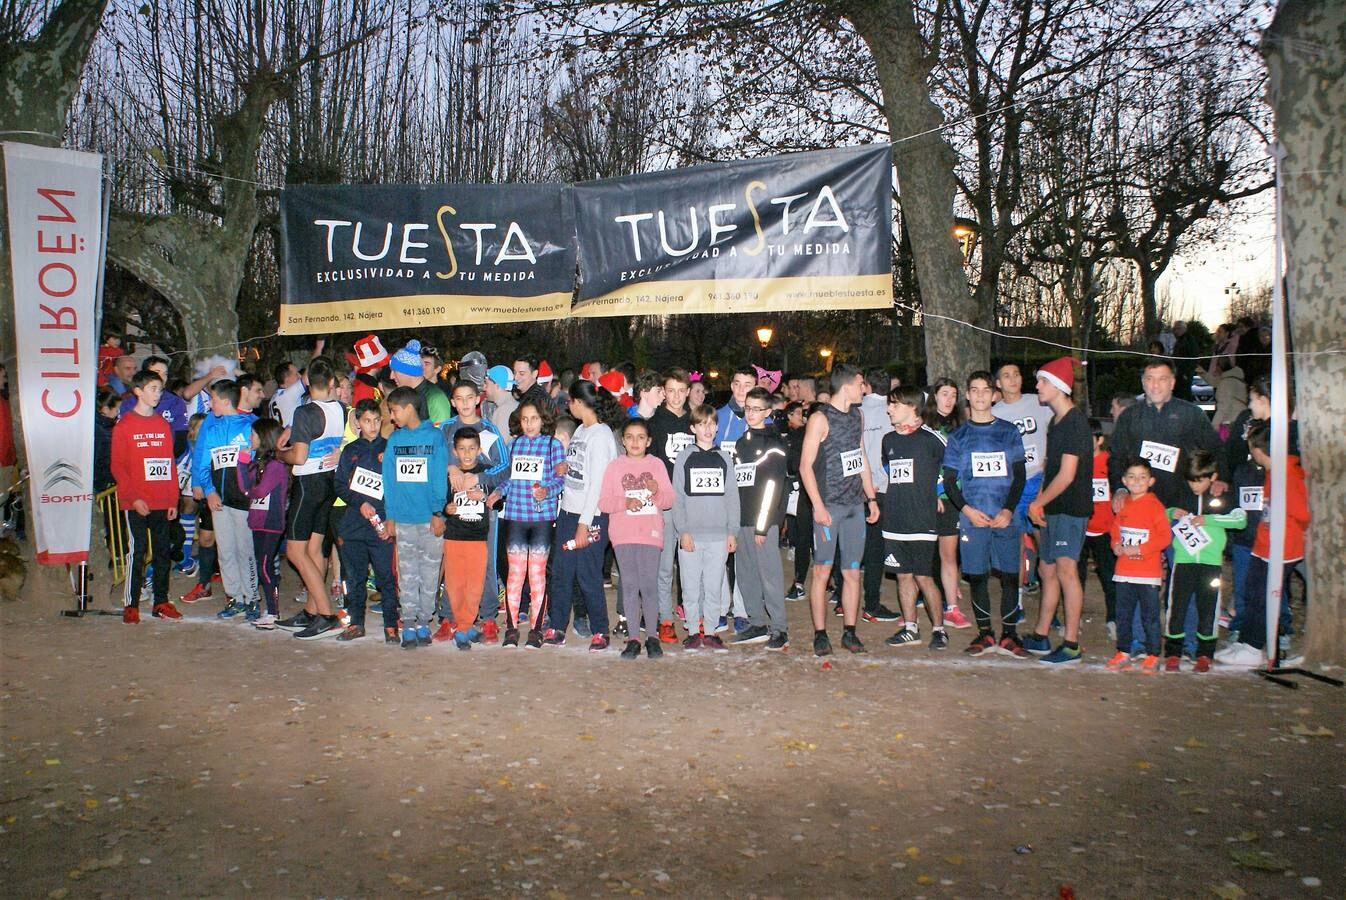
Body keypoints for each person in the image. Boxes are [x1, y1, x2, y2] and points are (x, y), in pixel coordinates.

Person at [941, 371, 1027, 657]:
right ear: (967, 395)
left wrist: (1008, 509)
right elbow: (950, 481)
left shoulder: (1008, 431)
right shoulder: (958, 436)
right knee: (977, 575)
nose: (979, 395)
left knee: (1010, 577)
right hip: (973, 517)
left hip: (1005, 516)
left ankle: (1010, 635)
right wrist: (966, 509)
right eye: (974, 390)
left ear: (994, 395)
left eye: (985, 390)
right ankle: (985, 633)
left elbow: (1019, 475)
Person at [799, 364, 881, 656]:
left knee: (852, 572)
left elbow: (861, 458)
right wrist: (818, 506)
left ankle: (850, 632)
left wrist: (871, 498)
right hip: (829, 508)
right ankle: (820, 634)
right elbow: (805, 467)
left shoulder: (857, 415)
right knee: (822, 571)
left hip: (854, 507)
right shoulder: (820, 419)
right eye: (861, 384)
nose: (864, 388)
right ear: (847, 386)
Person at [1216, 421, 1310, 667]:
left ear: (1258, 450)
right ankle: (1246, 642)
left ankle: (1254, 645)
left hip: (1281, 549)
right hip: (1264, 546)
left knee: (1261, 597)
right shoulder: (1273, 473)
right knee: (1252, 592)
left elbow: (1301, 513)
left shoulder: (1288, 476)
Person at [1022, 358, 1093, 665]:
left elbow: (1067, 475)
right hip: (1053, 507)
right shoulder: (1056, 421)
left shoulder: (1076, 422)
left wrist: (1039, 503)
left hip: (1070, 508)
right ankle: (1040, 634)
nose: (1037, 386)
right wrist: (1038, 500)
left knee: (1066, 571)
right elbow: (1050, 469)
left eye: (1042, 381)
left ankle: (1072, 643)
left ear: (1057, 385)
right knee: (1046, 569)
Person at [544, 381, 623, 650]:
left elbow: (599, 484)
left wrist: (584, 523)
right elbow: (583, 469)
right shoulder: (580, 430)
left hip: (590, 516)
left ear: (579, 402)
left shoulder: (601, 435)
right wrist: (568, 465)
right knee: (562, 572)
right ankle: (556, 626)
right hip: (569, 512)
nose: (569, 406)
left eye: (571, 402)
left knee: (588, 574)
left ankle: (600, 629)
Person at [277, 357, 346, 639]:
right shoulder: (339, 409)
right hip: (329, 482)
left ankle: (327, 615)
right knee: (315, 550)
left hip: (308, 485)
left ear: (306, 381)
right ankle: (312, 610)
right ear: (332, 384)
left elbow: (299, 456)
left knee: (295, 551)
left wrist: (279, 454)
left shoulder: (305, 413)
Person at [877, 386, 947, 649]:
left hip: (922, 520)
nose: (889, 409)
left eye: (894, 404)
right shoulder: (888, 440)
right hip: (894, 519)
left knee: (923, 576)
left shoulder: (932, 439)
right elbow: (889, 467)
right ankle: (910, 627)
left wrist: (937, 492)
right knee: (903, 576)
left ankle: (939, 630)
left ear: (912, 407)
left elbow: (952, 469)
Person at [1162, 451, 1245, 671]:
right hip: (1183, 561)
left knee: (1209, 609)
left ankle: (1205, 653)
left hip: (1211, 564)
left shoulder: (1222, 497)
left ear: (1213, 476)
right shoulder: (1181, 493)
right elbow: (1159, 514)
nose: (1195, 486)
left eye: (1199, 481)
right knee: (1176, 607)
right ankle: (1172, 653)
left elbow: (1240, 519)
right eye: (1191, 481)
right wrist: (1171, 513)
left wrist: (1208, 520)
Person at [1109, 358, 1225, 515]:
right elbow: (1117, 457)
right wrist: (1120, 488)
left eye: (1162, 379)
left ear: (1172, 383)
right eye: (1150, 379)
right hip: (1140, 503)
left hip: (1182, 505)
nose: (1155, 385)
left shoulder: (1191, 414)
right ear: (1143, 383)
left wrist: (1220, 478)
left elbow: (1215, 449)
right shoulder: (1129, 417)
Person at [599, 418, 674, 660]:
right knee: (629, 585)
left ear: (649, 441)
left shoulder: (657, 465)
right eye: (630, 437)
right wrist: (625, 503)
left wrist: (656, 491)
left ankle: (652, 637)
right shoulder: (614, 467)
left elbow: (668, 501)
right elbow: (604, 502)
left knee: (649, 585)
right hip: (623, 535)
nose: (635, 442)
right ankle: (633, 638)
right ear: (623, 441)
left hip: (650, 534)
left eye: (641, 437)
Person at [111, 370, 182, 623]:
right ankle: (131, 603)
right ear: (138, 391)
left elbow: (168, 463)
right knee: (137, 551)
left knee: (164, 551)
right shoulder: (125, 425)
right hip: (136, 501)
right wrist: (132, 497)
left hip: (162, 500)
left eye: (160, 389)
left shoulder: (163, 424)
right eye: (153, 389)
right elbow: (118, 467)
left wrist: (173, 499)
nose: (158, 394)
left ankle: (161, 601)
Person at [381, 386, 449, 650]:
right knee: (407, 572)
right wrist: (390, 516)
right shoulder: (394, 441)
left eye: (394, 411)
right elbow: (390, 480)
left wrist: (437, 512)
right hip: (404, 519)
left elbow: (438, 476)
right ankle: (408, 621)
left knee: (431, 572)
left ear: (409, 408)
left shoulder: (434, 437)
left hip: (429, 518)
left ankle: (424, 620)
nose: (392, 416)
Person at [441, 380, 509, 641]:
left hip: (482, 510)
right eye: (460, 398)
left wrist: (480, 481)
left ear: (479, 399)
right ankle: (449, 616)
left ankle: (489, 616)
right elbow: (435, 459)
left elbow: (504, 467)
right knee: (452, 565)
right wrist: (451, 468)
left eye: (470, 397)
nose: (466, 403)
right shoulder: (445, 430)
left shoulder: (488, 429)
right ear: (453, 402)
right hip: (453, 510)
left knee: (487, 562)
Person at [495, 400, 566, 648]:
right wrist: (497, 492)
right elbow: (509, 480)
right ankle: (512, 629)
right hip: (515, 515)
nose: (529, 424)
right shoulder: (513, 444)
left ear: (543, 419)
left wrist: (546, 490)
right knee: (514, 575)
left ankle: (535, 629)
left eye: (534, 419)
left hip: (542, 519)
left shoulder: (553, 446)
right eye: (524, 419)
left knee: (537, 576)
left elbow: (561, 481)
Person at [672, 404, 739, 651]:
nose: (707, 429)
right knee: (690, 587)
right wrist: (683, 531)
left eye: (711, 424)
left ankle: (710, 631)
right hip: (691, 535)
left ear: (717, 426)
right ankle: (692, 630)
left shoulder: (724, 458)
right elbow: (677, 497)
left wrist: (732, 531)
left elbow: (732, 496)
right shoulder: (684, 457)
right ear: (693, 428)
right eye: (702, 424)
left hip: (718, 535)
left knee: (713, 586)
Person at [191, 380, 259, 621]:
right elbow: (203, 464)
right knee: (226, 551)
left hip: (243, 502)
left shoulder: (251, 426)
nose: (211, 404)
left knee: (245, 550)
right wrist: (208, 490)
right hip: (219, 501)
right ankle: (235, 598)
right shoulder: (212, 428)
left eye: (214, 400)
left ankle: (252, 599)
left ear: (226, 401)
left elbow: (260, 461)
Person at [333, 399, 399, 643]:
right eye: (367, 421)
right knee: (355, 577)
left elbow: (397, 486)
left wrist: (390, 520)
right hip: (353, 525)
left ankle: (391, 624)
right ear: (358, 422)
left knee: (386, 577)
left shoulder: (390, 447)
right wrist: (359, 503)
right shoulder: (350, 451)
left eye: (376, 420)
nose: (372, 425)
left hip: (381, 525)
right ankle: (355, 623)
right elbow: (339, 484)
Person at [731, 387, 790, 650]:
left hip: (762, 522)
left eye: (757, 409)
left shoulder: (774, 444)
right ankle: (756, 622)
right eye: (748, 407)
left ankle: (779, 628)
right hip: (742, 518)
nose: (751, 413)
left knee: (770, 575)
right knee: (746, 574)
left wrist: (763, 526)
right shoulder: (742, 442)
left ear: (768, 412)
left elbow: (773, 488)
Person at [992, 362, 1053, 587]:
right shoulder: (995, 414)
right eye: (1006, 375)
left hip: (1039, 480)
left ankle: (1051, 604)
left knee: (1045, 545)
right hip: (1012, 485)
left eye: (1017, 373)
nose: (1013, 379)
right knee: (1015, 545)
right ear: (998, 383)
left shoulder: (1038, 402)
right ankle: (1015, 603)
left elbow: (1055, 433)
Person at [1107, 458, 1171, 673]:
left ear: (1151, 481)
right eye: (1132, 477)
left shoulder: (1155, 506)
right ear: (1124, 480)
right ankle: (1123, 651)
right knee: (1123, 615)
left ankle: (1153, 653)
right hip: (1124, 572)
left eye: (1142, 477)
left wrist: (1139, 549)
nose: (1137, 481)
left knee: (1150, 616)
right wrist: (1116, 544)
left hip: (1147, 573)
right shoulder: (1124, 505)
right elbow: (1115, 530)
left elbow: (1164, 538)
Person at [648, 369, 694, 642]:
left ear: (688, 392)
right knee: (664, 566)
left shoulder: (695, 421)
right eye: (671, 390)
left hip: (691, 504)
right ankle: (665, 619)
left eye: (681, 391)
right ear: (663, 392)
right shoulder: (654, 424)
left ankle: (693, 613)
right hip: (664, 504)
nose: (676, 396)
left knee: (691, 564)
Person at [923, 379, 972, 629]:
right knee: (921, 556)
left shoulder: (962, 428)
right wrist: (931, 493)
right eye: (944, 394)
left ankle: (952, 607)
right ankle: (918, 607)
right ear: (934, 396)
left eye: (953, 395)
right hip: (926, 499)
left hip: (952, 499)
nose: (949, 399)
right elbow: (919, 464)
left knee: (948, 554)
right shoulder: (922, 426)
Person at [235, 418, 288, 627]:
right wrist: (242, 462)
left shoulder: (275, 465)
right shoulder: (258, 464)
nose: (250, 439)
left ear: (264, 438)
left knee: (265, 567)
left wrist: (250, 490)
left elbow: (257, 490)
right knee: (262, 566)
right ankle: (271, 609)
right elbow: (245, 488)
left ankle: (274, 612)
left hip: (272, 522)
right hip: (258, 521)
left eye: (254, 435)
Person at [859, 367, 900, 623]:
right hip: (887, 489)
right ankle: (871, 603)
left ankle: (845, 599)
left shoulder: (856, 410)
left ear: (867, 386)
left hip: (861, 489)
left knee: (860, 548)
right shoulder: (895, 410)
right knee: (878, 550)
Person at [1078, 421, 1118, 640]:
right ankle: (1075, 620)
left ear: (1100, 440)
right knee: (1076, 577)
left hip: (1106, 530)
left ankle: (1113, 619)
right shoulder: (1076, 463)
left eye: (1090, 438)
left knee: (1110, 577)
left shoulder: (1110, 463)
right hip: (1082, 529)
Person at [389, 339, 452, 426]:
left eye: (394, 371)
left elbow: (440, 436)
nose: (391, 376)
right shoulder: (402, 395)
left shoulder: (436, 398)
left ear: (408, 372)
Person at [714, 367, 756, 452]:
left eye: (747, 385)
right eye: (737, 384)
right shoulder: (715, 416)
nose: (741, 389)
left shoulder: (764, 420)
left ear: (755, 388)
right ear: (732, 386)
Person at [485, 365, 519, 440]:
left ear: (497, 386)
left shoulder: (504, 410)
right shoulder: (511, 405)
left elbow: (500, 444)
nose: (484, 388)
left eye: (487, 384)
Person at [269, 361, 305, 427]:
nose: (300, 376)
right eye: (296, 374)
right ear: (286, 379)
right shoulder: (289, 394)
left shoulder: (273, 399)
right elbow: (308, 374)